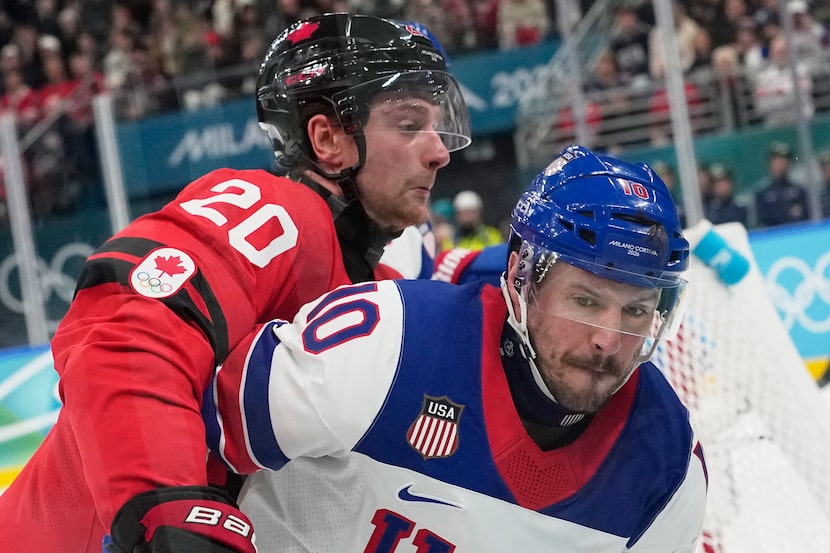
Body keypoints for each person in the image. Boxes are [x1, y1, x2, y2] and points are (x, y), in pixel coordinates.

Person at [0, 13, 471, 553]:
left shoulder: (379, 288)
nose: (439, 151)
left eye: (438, 125)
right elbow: (125, 328)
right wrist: (169, 508)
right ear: (327, 140)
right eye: (410, 124)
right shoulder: (280, 213)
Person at [202, 145, 708, 553]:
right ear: (520, 279)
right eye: (585, 300)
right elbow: (193, 442)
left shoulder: (667, 462)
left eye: (636, 311)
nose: (608, 339)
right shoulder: (389, 343)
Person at [753, 141, 810, 228]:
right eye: (776, 159)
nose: (780, 163)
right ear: (770, 163)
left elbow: (807, 217)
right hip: (772, 237)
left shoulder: (799, 191)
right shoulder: (761, 193)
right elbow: (759, 223)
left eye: (784, 159)